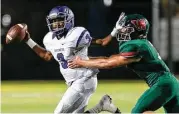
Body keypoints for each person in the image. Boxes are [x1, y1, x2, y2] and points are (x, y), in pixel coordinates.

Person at [18, 6, 124, 113]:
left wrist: (114, 31)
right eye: (53, 21)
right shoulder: (48, 39)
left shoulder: (76, 34)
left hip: (84, 78)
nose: (56, 24)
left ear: (69, 20)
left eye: (60, 20)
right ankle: (102, 105)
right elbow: (47, 55)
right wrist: (28, 40)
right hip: (73, 82)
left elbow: (102, 42)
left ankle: (102, 106)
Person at [68, 13, 179, 113]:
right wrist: (86, 59)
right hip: (171, 83)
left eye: (126, 28)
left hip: (163, 84)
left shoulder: (136, 45)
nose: (122, 31)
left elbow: (109, 63)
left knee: (138, 112)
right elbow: (110, 58)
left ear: (136, 30)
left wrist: (82, 63)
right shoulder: (142, 43)